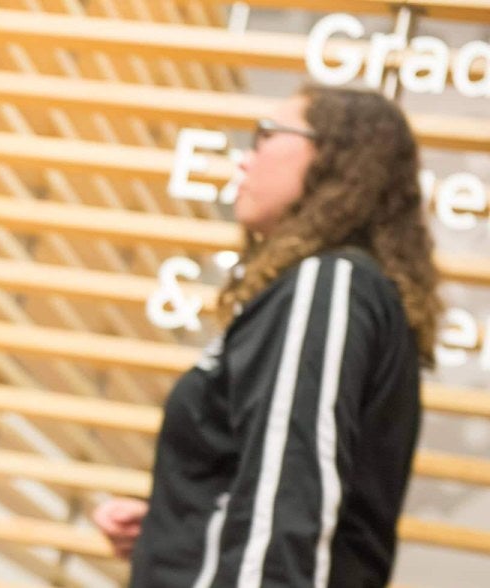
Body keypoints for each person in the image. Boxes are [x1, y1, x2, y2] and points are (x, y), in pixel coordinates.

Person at [93, 86, 441, 587]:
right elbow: (276, 484)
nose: (244, 160)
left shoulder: (329, 283)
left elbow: (291, 493)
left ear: (333, 157)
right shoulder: (330, 288)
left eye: (265, 137)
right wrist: (173, 521)